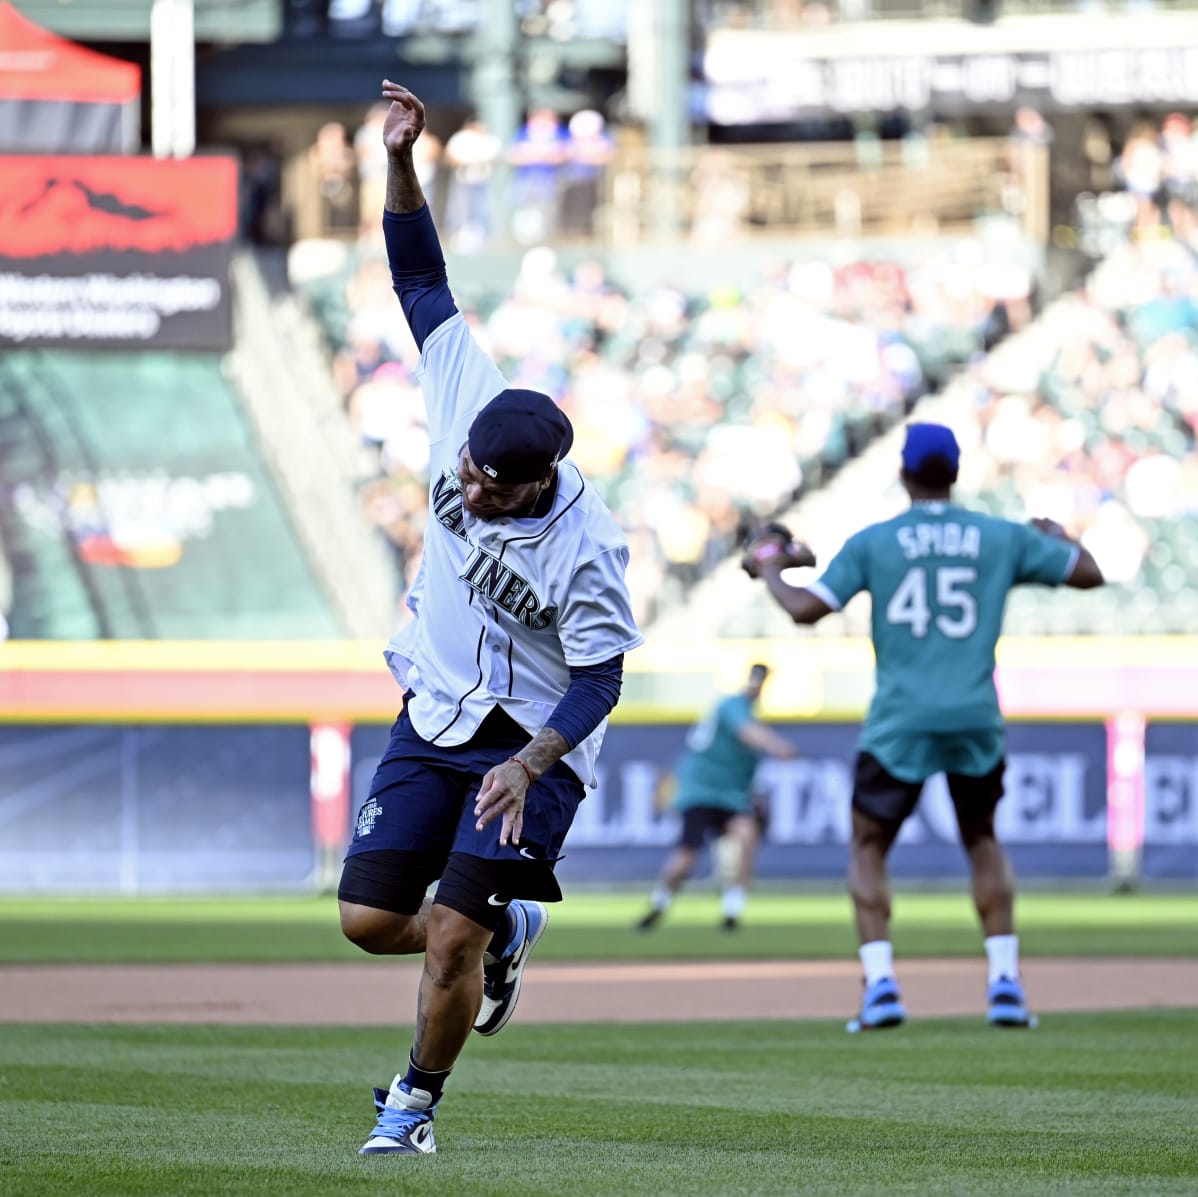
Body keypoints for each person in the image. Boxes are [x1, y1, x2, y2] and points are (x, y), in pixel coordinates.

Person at [336, 80, 644, 1156]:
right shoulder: (467, 395)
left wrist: (537, 760)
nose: (464, 489)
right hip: (437, 710)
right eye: (462, 471)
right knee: (372, 921)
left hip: (531, 742)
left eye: (487, 486)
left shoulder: (587, 546)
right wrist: (401, 158)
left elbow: (602, 678)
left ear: (535, 483)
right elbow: (418, 272)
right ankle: (510, 930)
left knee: (448, 935)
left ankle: (411, 1107)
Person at [745, 423, 1103, 1032]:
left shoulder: (877, 541)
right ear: (956, 473)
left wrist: (771, 566)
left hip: (900, 719)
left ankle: (882, 984)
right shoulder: (999, 536)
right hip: (974, 713)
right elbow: (1088, 572)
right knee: (982, 840)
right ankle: (1005, 984)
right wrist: (1057, 534)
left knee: (868, 845)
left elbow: (805, 609)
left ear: (905, 474)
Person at [636, 663, 796, 933]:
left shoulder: (749, 714)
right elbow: (749, 734)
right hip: (701, 790)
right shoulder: (732, 705)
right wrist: (778, 746)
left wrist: (754, 793)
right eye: (755, 681)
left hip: (731, 796)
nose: (756, 687)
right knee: (687, 856)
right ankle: (659, 903)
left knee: (747, 836)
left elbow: (745, 762)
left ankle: (732, 910)